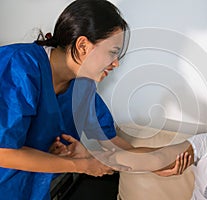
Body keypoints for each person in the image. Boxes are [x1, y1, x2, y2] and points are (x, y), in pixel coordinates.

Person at [0, 0, 139, 199]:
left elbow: (110, 141)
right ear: (83, 45)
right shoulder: (18, 66)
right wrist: (82, 165)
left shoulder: (82, 89)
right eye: (112, 53)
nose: (116, 63)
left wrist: (157, 161)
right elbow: (3, 152)